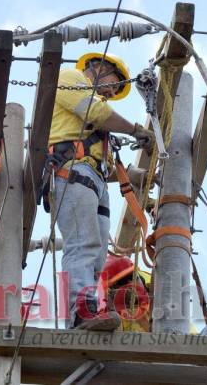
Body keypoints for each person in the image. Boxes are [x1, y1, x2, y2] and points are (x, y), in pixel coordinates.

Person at [47, 52, 154, 330]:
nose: (113, 90)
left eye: (118, 88)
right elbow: (95, 111)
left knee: (95, 253)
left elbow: (108, 169)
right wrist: (135, 130)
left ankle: (88, 309)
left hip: (92, 178)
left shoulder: (99, 127)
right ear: (97, 66)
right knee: (82, 245)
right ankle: (80, 312)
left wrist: (146, 177)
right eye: (113, 82)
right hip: (72, 172)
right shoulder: (70, 78)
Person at [97, 255, 152, 332]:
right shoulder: (109, 306)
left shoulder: (156, 286)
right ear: (112, 288)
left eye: (130, 276)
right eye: (121, 282)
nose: (130, 283)